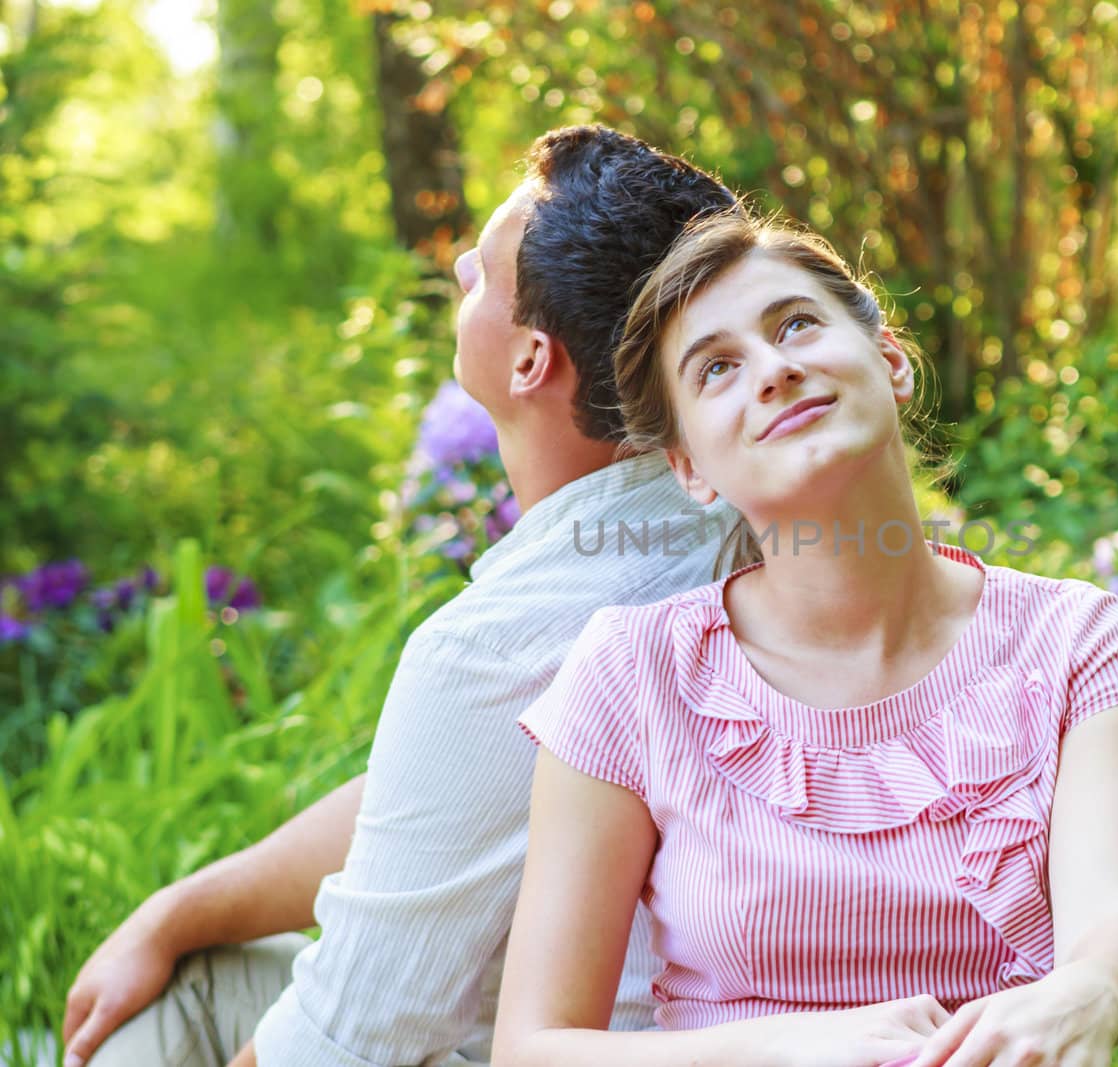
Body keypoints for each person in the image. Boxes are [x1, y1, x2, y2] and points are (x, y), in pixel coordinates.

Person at [61, 126, 740, 1067]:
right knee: (203, 958)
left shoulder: (499, 646)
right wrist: (176, 910)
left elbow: (347, 1040)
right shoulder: (749, 520)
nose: (462, 263)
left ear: (532, 361)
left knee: (179, 1008)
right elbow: (435, 800)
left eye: (487, 269)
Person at [493, 210, 1118, 1067]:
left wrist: (1092, 991)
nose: (773, 370)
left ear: (889, 361)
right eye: (717, 370)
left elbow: (1112, 921)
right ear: (690, 468)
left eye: (796, 324)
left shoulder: (1075, 642)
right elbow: (534, 1048)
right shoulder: (633, 674)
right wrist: (800, 1045)